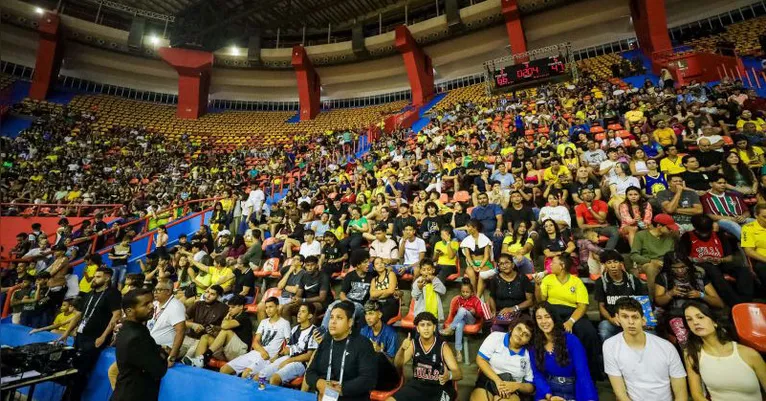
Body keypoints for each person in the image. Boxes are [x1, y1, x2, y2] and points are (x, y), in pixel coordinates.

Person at [604, 297, 688, 401]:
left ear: (643, 320)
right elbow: (620, 392)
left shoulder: (666, 347)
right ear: (617, 318)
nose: (630, 322)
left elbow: (681, 393)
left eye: (635, 317)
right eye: (625, 317)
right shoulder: (610, 345)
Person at [58, 267, 122, 401]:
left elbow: (116, 315)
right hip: (80, 336)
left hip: (94, 339)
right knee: (72, 370)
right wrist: (67, 333)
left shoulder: (112, 293)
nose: (94, 279)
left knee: (81, 373)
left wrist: (103, 337)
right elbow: (79, 315)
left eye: (98, 277)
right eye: (94, 276)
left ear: (107, 278)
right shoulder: (89, 293)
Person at [682, 301, 766, 401]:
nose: (695, 322)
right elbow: (697, 394)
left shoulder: (749, 354)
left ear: (714, 322)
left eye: (700, 317)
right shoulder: (692, 354)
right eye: (689, 319)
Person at [535, 254, 602, 379]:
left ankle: (592, 371)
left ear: (562, 266)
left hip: (573, 313)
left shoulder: (576, 282)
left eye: (553, 263)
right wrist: (537, 287)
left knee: (588, 332)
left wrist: (571, 321)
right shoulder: (548, 279)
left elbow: (582, 306)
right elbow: (541, 302)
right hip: (553, 312)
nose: (550, 265)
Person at [305, 300, 378, 401]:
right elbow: (310, 372)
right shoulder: (325, 342)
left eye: (339, 318)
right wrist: (319, 383)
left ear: (350, 322)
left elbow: (368, 379)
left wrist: (341, 389)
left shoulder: (363, 344)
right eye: (331, 317)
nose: (333, 321)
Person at [678, 214, 753, 306]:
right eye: (702, 231)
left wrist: (720, 260)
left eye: (707, 231)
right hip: (700, 265)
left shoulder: (719, 235)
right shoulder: (687, 237)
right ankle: (736, 303)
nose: (705, 234)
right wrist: (699, 259)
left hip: (719, 262)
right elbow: (683, 258)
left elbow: (730, 257)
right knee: (712, 270)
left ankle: (748, 302)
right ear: (695, 227)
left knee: (743, 270)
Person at [530, 302, 598, 401]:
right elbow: (537, 374)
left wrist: (589, 398)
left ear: (554, 318)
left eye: (547, 316)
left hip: (573, 389)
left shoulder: (571, 340)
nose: (544, 321)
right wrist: (549, 396)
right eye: (539, 318)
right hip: (549, 391)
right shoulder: (535, 344)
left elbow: (582, 372)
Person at [654, 252, 724, 346]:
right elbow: (658, 302)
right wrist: (670, 294)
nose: (680, 271)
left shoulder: (698, 276)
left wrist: (700, 295)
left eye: (683, 267)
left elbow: (719, 303)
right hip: (676, 314)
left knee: (713, 338)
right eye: (675, 268)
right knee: (685, 341)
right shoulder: (663, 278)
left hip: (699, 312)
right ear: (669, 268)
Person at [389, 312, 462, 401]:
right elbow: (398, 364)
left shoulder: (443, 346)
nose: (426, 328)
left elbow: (458, 374)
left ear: (434, 327)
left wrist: (449, 375)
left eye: (429, 325)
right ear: (418, 329)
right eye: (422, 325)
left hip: (440, 387)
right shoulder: (413, 344)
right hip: (418, 385)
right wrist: (402, 349)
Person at [110, 288, 168, 401]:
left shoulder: (128, 329)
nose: (152, 306)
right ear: (129, 311)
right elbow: (159, 370)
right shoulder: (136, 337)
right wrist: (163, 353)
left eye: (151, 302)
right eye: (146, 304)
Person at [220, 296, 291, 376]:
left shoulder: (285, 323)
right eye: (266, 307)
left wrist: (277, 357)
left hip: (268, 357)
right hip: (257, 352)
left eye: (271, 307)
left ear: (277, 307)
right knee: (224, 369)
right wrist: (262, 351)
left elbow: (289, 345)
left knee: (245, 374)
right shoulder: (264, 322)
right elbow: (255, 342)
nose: (268, 310)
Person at [470, 316, 535, 401]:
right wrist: (498, 381)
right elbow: (480, 359)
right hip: (489, 380)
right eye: (519, 329)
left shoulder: (528, 355)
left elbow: (530, 387)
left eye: (526, 335)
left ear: (529, 340)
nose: (521, 334)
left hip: (511, 388)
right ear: (512, 328)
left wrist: (516, 386)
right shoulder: (496, 337)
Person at [258, 303, 319, 386]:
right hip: (288, 358)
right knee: (260, 375)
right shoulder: (295, 329)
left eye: (303, 311)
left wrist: (288, 361)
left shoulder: (314, 331)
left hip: (301, 363)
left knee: (274, 379)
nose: (299, 314)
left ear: (309, 316)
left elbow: (309, 355)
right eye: (299, 311)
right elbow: (287, 348)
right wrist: (277, 357)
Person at [594, 250, 648, 342]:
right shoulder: (601, 282)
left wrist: (643, 318)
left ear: (621, 263)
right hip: (614, 320)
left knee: (651, 331)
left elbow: (643, 301)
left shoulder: (632, 280)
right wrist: (611, 319)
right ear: (604, 265)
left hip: (632, 318)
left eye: (616, 262)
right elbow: (601, 306)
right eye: (609, 263)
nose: (613, 265)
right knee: (605, 327)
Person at [184, 295, 253, 367]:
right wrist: (213, 333)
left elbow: (224, 326)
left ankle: (206, 356)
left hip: (240, 352)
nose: (229, 309)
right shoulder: (233, 317)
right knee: (205, 337)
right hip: (228, 350)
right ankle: (198, 361)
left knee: (226, 331)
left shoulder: (244, 317)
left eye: (233, 307)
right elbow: (223, 338)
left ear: (241, 307)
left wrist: (226, 319)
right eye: (229, 307)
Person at [322, 249, 374, 330]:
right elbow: (342, 294)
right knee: (331, 306)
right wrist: (347, 302)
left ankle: (346, 332)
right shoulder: (350, 275)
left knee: (350, 311)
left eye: (368, 262)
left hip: (360, 305)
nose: (368, 264)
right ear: (358, 265)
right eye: (365, 262)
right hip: (347, 301)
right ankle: (323, 330)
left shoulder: (372, 276)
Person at [629, 214, 678, 296]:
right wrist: (651, 261)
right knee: (651, 268)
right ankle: (655, 300)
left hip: (666, 262)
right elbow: (634, 255)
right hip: (647, 263)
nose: (671, 230)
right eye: (669, 228)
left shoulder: (671, 236)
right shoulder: (641, 235)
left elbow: (673, 254)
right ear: (659, 226)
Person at [485, 253, 534, 332]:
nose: (504, 265)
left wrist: (513, 309)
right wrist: (494, 311)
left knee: (518, 330)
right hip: (502, 314)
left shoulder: (522, 278)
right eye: (501, 264)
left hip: (520, 314)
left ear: (513, 264)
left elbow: (530, 301)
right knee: (496, 329)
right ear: (499, 267)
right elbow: (492, 297)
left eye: (507, 262)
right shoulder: (495, 279)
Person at [181, 285, 229, 360]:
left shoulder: (224, 309)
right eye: (207, 292)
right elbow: (181, 320)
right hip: (188, 337)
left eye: (212, 294)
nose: (208, 296)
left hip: (202, 342)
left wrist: (214, 329)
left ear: (219, 297)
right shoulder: (198, 304)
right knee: (172, 354)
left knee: (186, 360)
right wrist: (192, 325)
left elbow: (225, 329)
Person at [361, 300, 400, 391]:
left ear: (380, 315)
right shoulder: (363, 331)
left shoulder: (391, 334)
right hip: (369, 373)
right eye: (366, 314)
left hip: (387, 376)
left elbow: (393, 363)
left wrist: (381, 351)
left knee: (378, 357)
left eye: (371, 313)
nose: (368, 317)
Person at [701, 174, 754, 240]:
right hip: (721, 221)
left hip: (739, 219)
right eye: (719, 183)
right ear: (711, 184)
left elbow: (747, 212)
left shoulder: (734, 195)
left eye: (724, 183)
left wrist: (743, 217)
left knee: (754, 221)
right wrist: (731, 219)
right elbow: (710, 215)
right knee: (732, 225)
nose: (723, 185)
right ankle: (748, 245)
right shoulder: (705, 197)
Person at [441, 279, 482, 363]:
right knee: (459, 325)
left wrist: (474, 312)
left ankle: (451, 328)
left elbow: (480, 315)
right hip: (461, 319)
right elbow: (455, 312)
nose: (465, 294)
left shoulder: (476, 300)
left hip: (471, 319)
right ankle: (458, 352)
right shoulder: (459, 299)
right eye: (463, 292)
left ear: (472, 293)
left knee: (462, 310)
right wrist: (459, 310)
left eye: (467, 292)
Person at [147, 280, 186, 366]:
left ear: (168, 291)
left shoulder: (176, 306)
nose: (155, 292)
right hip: (149, 347)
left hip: (163, 350)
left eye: (159, 290)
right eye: (155, 289)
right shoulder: (154, 304)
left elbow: (180, 332)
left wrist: (172, 357)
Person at [742, 204, 766, 288]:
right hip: (762, 261)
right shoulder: (748, 228)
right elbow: (749, 251)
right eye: (765, 217)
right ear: (756, 215)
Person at [369, 257, 399, 323]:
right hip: (377, 303)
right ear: (374, 268)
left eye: (382, 262)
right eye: (377, 264)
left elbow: (391, 291)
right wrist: (385, 291)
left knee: (381, 315)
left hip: (391, 302)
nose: (380, 264)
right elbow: (372, 294)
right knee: (366, 314)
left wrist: (377, 294)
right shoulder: (374, 280)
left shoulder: (391, 274)